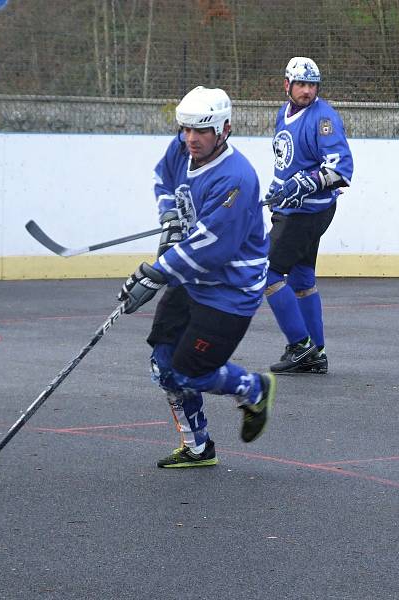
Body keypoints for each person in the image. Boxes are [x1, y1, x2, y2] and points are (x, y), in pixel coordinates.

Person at [117, 85, 275, 468]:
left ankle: (253, 389)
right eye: (186, 129)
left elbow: (212, 247)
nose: (191, 138)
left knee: (190, 373)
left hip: (229, 292)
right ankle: (198, 446)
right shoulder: (183, 148)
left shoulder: (236, 178)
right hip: (192, 279)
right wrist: (170, 217)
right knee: (163, 365)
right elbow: (164, 179)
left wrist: (156, 273)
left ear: (223, 129)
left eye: (201, 131)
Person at [263, 56, 353, 375]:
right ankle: (316, 352)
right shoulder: (283, 114)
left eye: (312, 85)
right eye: (301, 84)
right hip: (291, 210)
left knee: (267, 272)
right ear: (286, 85)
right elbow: (285, 161)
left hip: (307, 212)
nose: (307, 91)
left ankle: (301, 346)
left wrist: (308, 181)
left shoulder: (323, 118)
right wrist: (277, 190)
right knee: (301, 278)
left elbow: (341, 168)